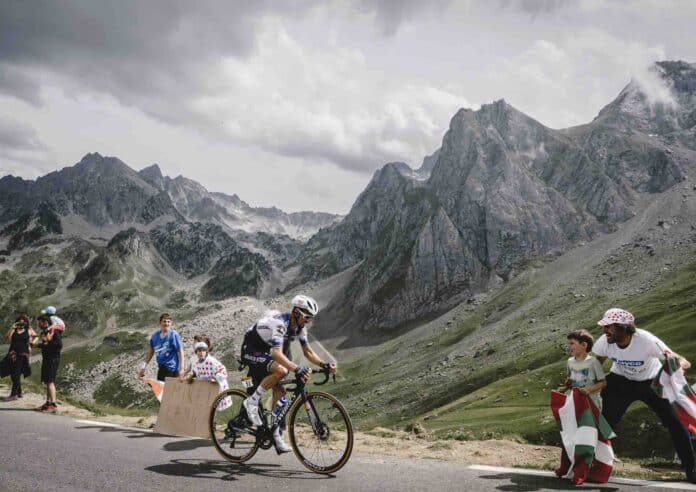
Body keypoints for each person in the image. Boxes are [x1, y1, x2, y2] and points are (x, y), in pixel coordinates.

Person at [593, 308, 696, 483]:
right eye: (604, 326)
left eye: (609, 327)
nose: (605, 331)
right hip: (620, 382)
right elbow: (597, 361)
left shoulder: (647, 341)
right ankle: (592, 464)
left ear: (623, 328)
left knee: (676, 423)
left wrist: (679, 367)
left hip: (650, 383)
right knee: (605, 423)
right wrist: (584, 378)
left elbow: (679, 359)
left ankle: (691, 469)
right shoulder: (606, 341)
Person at [240, 295, 336, 453]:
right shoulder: (280, 324)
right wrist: (297, 369)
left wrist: (323, 364)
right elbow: (276, 354)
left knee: (281, 392)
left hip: (265, 350)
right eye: (307, 317)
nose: (308, 321)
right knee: (281, 370)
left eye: (310, 318)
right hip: (251, 348)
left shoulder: (300, 328)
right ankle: (251, 402)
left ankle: (276, 435)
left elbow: (308, 352)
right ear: (296, 313)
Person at [555, 329, 608, 482]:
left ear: (584, 345)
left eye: (572, 343)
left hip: (591, 405)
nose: (569, 347)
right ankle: (565, 466)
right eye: (568, 344)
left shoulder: (593, 363)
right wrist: (565, 387)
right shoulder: (570, 362)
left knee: (585, 438)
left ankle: (581, 472)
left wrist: (589, 389)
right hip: (574, 402)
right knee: (568, 432)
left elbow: (603, 382)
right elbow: (570, 378)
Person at [182, 335, 231, 409]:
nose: (201, 353)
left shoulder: (211, 361)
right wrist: (191, 376)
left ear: (206, 352)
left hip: (216, 387)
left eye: (203, 351)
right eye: (199, 351)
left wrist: (217, 376)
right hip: (205, 389)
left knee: (213, 408)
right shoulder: (196, 363)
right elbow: (196, 371)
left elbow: (222, 370)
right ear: (196, 352)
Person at [138, 313, 184, 382]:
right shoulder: (154, 337)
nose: (166, 324)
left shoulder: (173, 334)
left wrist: (182, 368)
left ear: (171, 323)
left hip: (172, 367)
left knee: (166, 389)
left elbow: (180, 350)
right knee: (162, 389)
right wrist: (143, 367)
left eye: (168, 322)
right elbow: (150, 352)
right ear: (160, 322)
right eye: (164, 321)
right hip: (161, 367)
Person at [2, 315, 37, 400]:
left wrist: (31, 344)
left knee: (16, 373)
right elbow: (6, 336)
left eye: (23, 322)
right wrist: (12, 327)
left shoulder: (28, 329)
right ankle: (19, 392)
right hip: (12, 354)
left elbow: (36, 336)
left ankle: (14, 395)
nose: (21, 323)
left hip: (22, 354)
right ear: (17, 322)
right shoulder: (14, 329)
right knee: (12, 372)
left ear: (26, 322)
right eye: (19, 321)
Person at [35, 313, 64, 412]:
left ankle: (53, 404)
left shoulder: (54, 331)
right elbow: (45, 344)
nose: (39, 324)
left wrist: (44, 345)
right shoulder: (45, 331)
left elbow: (58, 345)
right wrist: (39, 345)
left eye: (40, 323)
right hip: (47, 358)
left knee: (50, 381)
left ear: (45, 322)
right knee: (47, 381)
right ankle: (47, 403)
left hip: (53, 359)